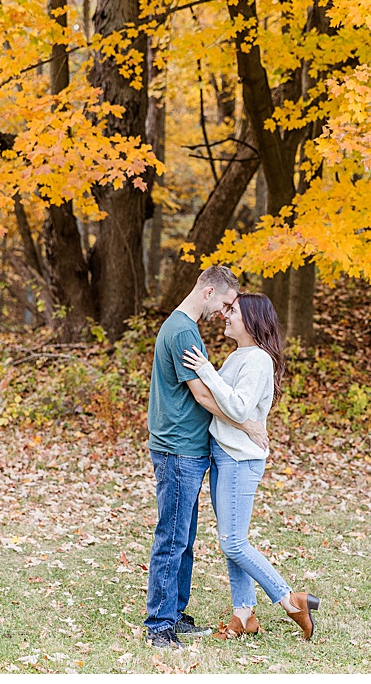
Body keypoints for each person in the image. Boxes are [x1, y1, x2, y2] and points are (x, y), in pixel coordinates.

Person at [181, 293, 321, 641]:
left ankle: (290, 599)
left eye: (233, 312)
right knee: (232, 538)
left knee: (232, 543)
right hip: (226, 454)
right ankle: (243, 615)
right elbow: (224, 404)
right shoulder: (241, 355)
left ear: (252, 320)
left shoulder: (257, 360)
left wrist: (205, 370)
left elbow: (239, 407)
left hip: (240, 460)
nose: (225, 316)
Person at [143, 265, 266, 649]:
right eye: (227, 302)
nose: (226, 312)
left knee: (185, 536)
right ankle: (159, 624)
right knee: (173, 536)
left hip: (189, 448)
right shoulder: (182, 330)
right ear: (209, 291)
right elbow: (202, 395)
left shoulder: (186, 328)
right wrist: (247, 425)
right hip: (178, 446)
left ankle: (175, 614)